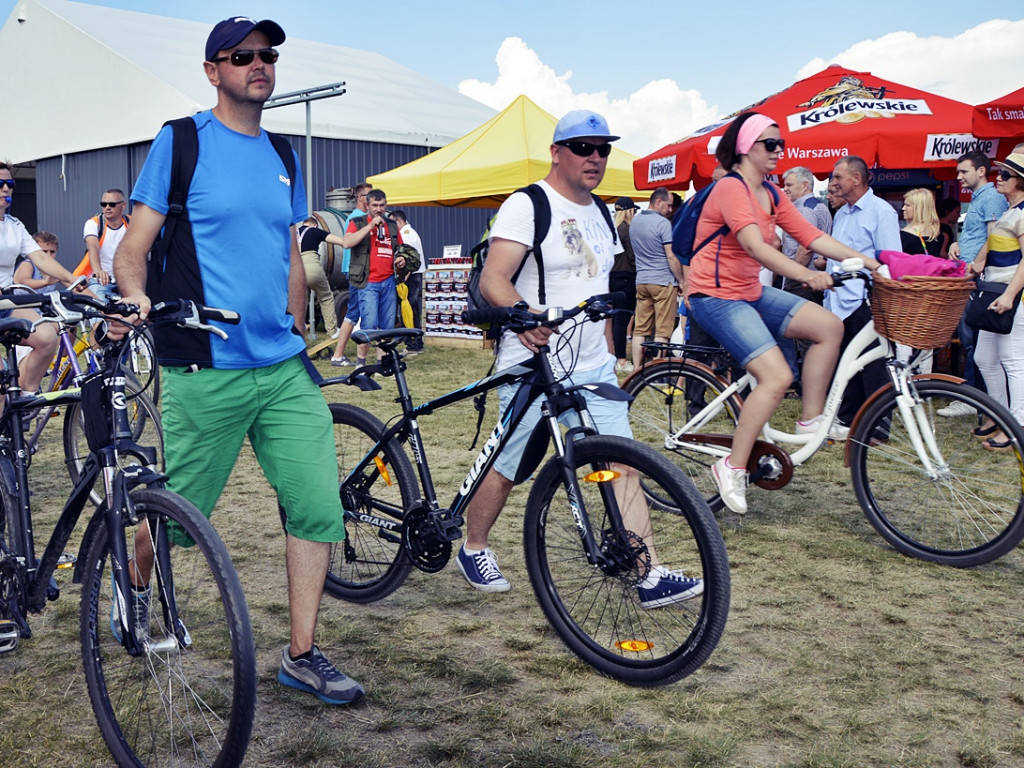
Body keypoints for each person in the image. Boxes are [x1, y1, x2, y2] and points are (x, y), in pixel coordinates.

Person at [113, 16, 363, 705]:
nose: (260, 63)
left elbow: (286, 249)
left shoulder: (283, 151)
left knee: (315, 503)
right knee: (173, 526)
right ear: (213, 70)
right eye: (243, 55)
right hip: (205, 367)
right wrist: (135, 296)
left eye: (269, 54)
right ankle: (129, 584)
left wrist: (290, 319)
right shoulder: (183, 141)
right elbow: (132, 247)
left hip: (280, 367)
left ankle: (303, 654)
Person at [458, 109, 702, 607]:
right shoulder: (528, 205)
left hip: (591, 363)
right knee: (510, 464)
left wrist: (611, 351)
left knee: (622, 461)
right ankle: (473, 545)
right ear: (556, 151)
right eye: (583, 147)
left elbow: (600, 284)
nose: (595, 158)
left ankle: (648, 570)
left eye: (603, 149)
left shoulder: (601, 210)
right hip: (535, 360)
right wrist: (526, 316)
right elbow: (493, 279)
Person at [686, 112, 876, 515]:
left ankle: (811, 419)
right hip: (715, 295)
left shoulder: (772, 193)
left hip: (750, 291)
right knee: (776, 376)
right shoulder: (731, 189)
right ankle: (732, 465)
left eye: (780, 145)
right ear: (745, 147)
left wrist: (870, 262)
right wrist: (808, 274)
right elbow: (756, 246)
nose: (778, 151)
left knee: (828, 325)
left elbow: (813, 236)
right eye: (770, 144)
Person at [825, 155, 900, 434]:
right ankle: (848, 419)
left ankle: (879, 425)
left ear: (856, 178)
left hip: (867, 299)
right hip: (839, 300)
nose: (834, 183)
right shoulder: (842, 212)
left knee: (873, 364)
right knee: (847, 361)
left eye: (838, 177)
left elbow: (890, 259)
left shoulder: (881, 211)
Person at [0, 163, 90, 393]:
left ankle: (26, 398)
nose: (5, 189)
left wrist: (72, 279)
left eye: (10, 184)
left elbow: (40, 257)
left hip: (6, 303)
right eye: (0, 184)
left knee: (47, 337)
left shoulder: (15, 226)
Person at [964, 152, 1024, 451]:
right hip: (997, 293)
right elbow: (991, 244)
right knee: (984, 358)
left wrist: (1010, 295)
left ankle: (1016, 429)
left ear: (1021, 182)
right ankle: (1001, 419)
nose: (998, 179)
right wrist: (975, 264)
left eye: (1005, 175)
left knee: (1014, 362)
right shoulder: (1010, 211)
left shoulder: (1022, 212)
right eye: (999, 173)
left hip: (1013, 296)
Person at [943, 151, 1008, 414]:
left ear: (981, 171)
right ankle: (976, 399)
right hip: (971, 274)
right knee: (974, 341)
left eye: (963, 171)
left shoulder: (991, 196)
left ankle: (974, 399)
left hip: (978, 278)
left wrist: (977, 265)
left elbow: (996, 237)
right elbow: (980, 235)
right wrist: (957, 244)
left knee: (975, 341)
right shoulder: (981, 197)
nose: (958, 177)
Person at [341, 189, 407, 356]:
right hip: (368, 281)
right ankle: (361, 363)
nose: (379, 209)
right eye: (375, 205)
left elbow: (400, 249)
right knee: (368, 325)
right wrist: (370, 226)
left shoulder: (391, 225)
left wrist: (401, 259)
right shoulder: (358, 221)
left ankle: (382, 364)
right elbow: (347, 243)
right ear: (367, 205)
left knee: (387, 327)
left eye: (382, 205)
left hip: (389, 281)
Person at [630, 187, 683, 370]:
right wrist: (682, 280)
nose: (670, 209)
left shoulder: (635, 222)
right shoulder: (663, 224)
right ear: (658, 202)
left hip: (642, 279)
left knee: (640, 328)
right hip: (663, 280)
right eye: (668, 205)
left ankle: (637, 368)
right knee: (663, 329)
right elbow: (671, 257)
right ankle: (658, 369)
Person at [331, 182, 372, 367]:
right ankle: (339, 355)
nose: (372, 199)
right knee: (354, 313)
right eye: (368, 195)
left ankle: (342, 355)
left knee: (355, 313)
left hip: (359, 270)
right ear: (359, 197)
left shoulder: (364, 217)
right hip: (357, 271)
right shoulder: (357, 218)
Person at [296, 217, 340, 339]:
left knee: (300, 303)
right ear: (315, 225)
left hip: (295, 270)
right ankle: (332, 330)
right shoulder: (315, 231)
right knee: (326, 297)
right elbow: (339, 241)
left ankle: (298, 332)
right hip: (311, 266)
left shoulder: (293, 233)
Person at [84, 189, 130, 300]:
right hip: (101, 281)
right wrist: (98, 271)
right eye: (104, 204)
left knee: (138, 311)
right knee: (97, 309)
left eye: (112, 204)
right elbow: (93, 247)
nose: (107, 207)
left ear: (123, 205)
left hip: (127, 280)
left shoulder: (131, 224)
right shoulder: (94, 223)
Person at [609, 196, 638, 372]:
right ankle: (621, 360)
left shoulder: (612, 230)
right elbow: (633, 257)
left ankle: (614, 356)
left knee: (613, 321)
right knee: (622, 320)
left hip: (612, 278)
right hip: (627, 278)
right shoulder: (626, 230)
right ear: (629, 211)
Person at [392, 210, 424, 352]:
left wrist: (404, 276)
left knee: (409, 309)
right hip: (412, 275)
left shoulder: (406, 235)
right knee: (410, 309)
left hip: (410, 276)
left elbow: (409, 258)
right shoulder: (410, 232)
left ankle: (414, 344)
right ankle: (412, 341)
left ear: (399, 221)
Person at [900, 188, 942, 258]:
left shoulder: (904, 236)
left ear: (919, 208)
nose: (903, 208)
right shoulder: (937, 234)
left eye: (907, 205)